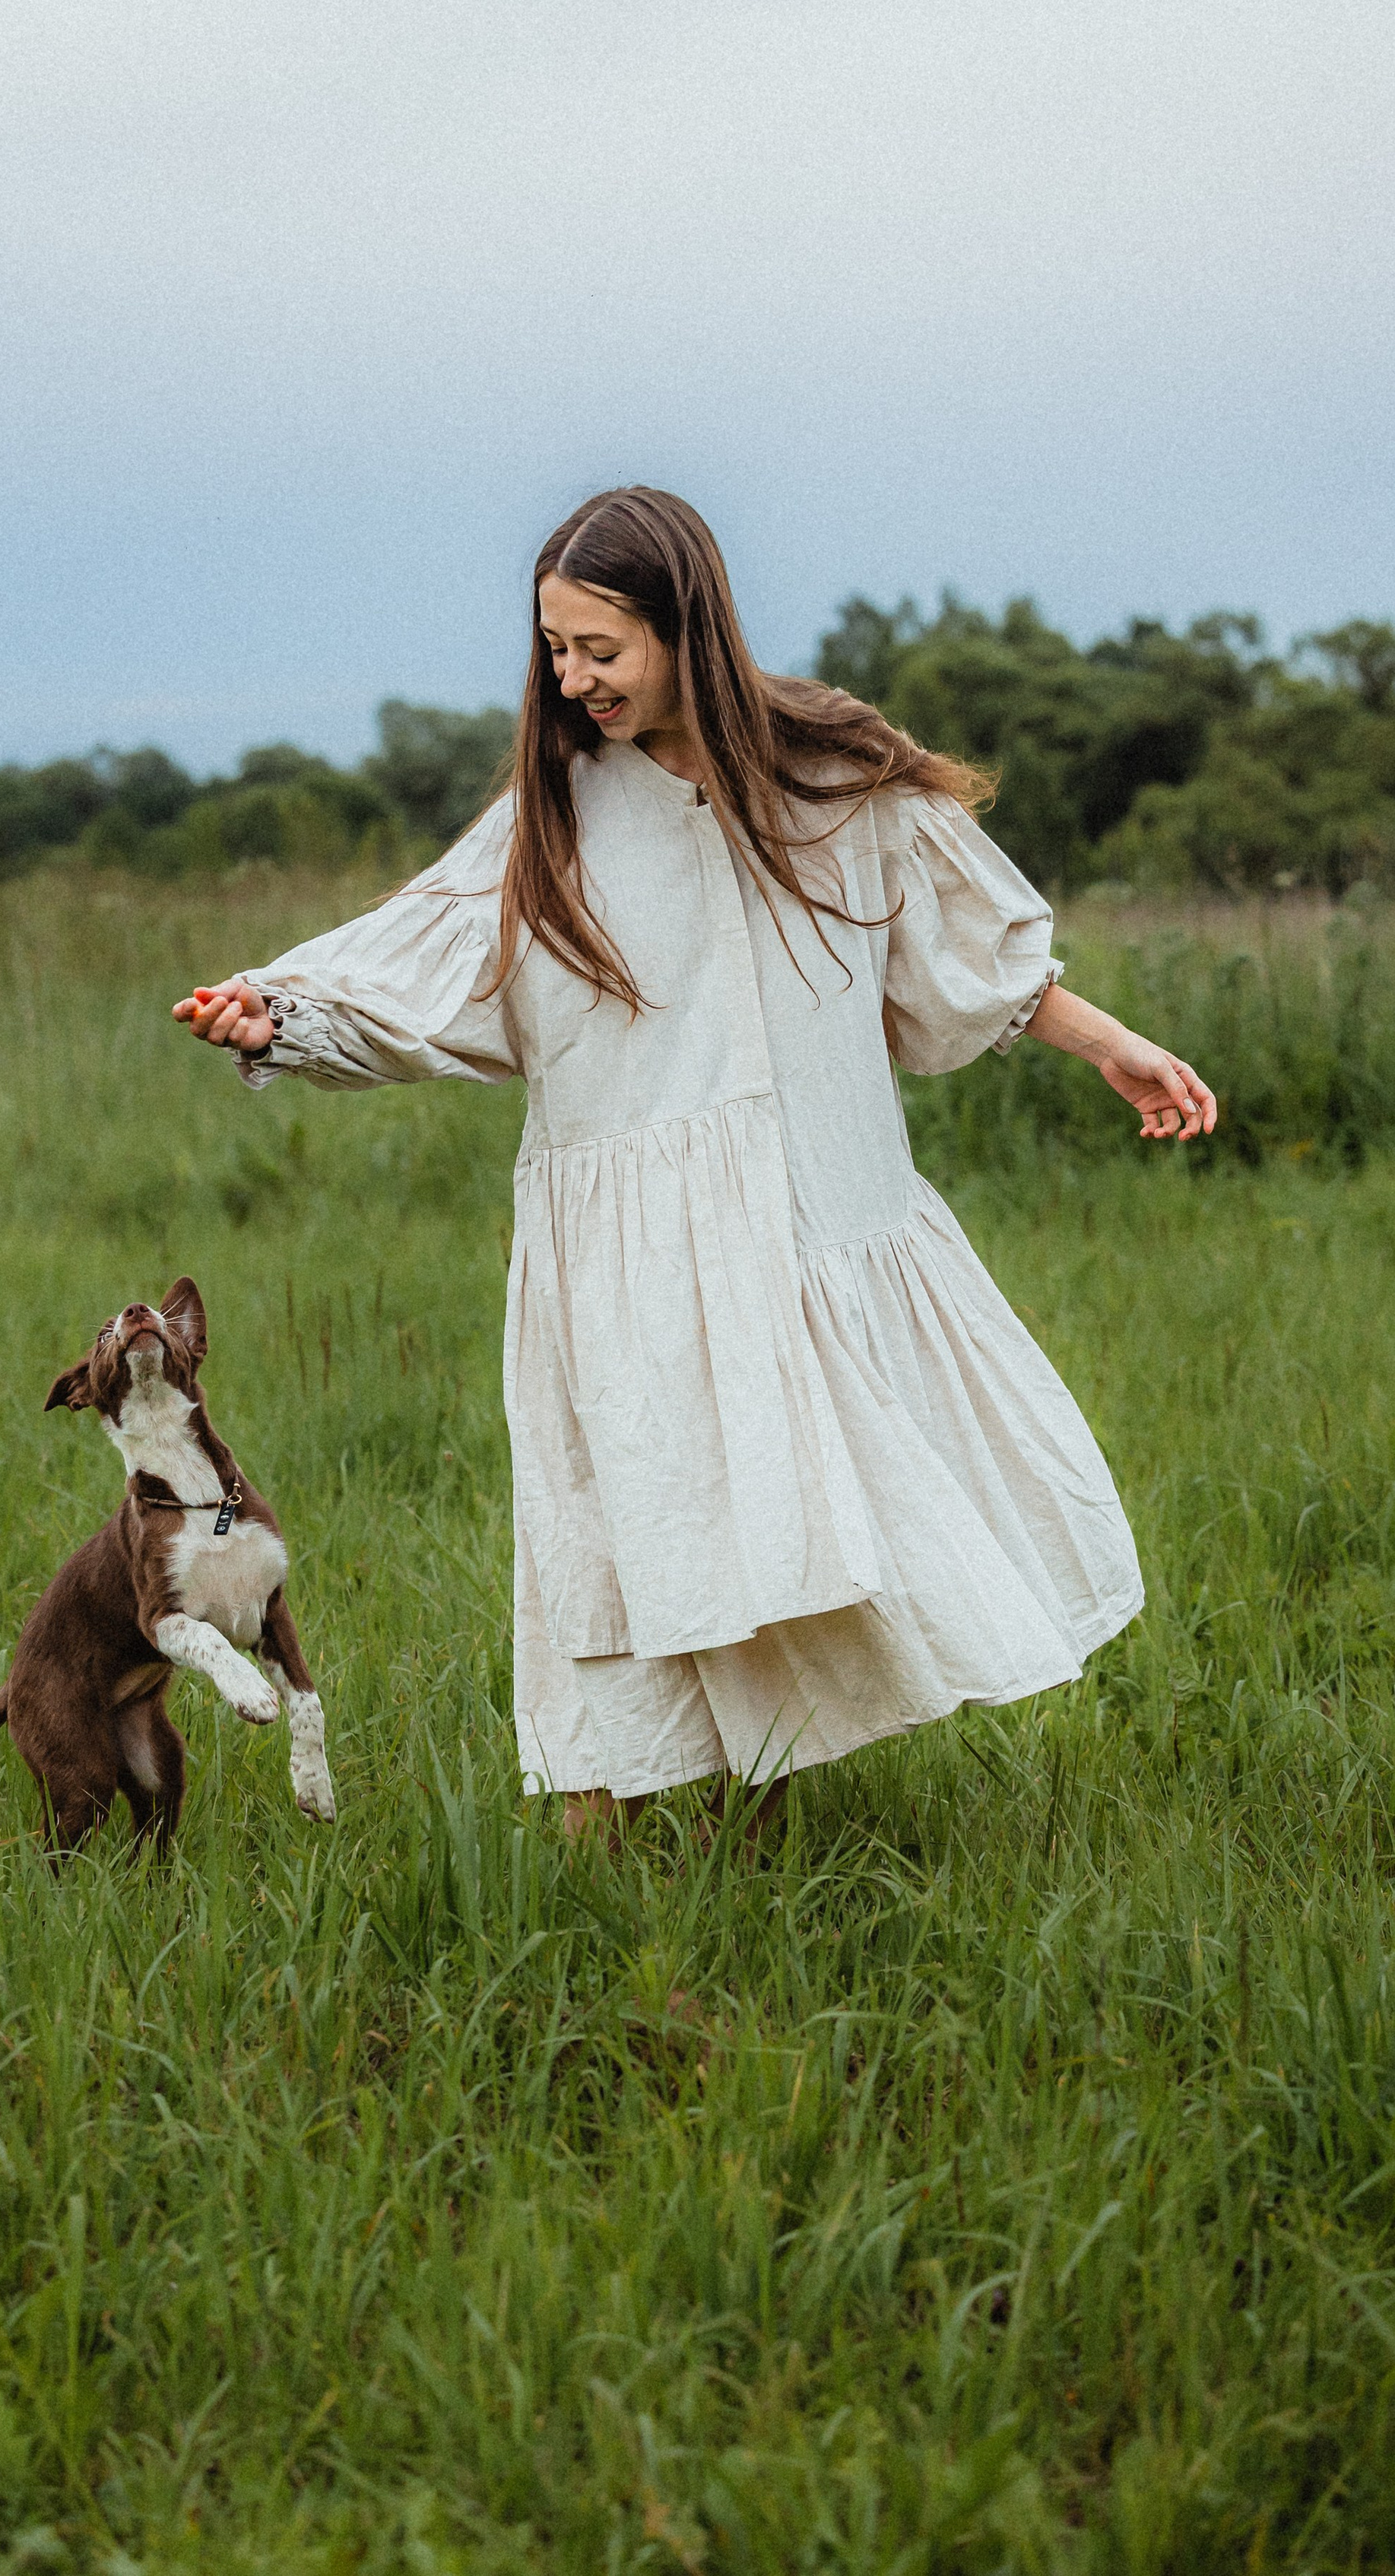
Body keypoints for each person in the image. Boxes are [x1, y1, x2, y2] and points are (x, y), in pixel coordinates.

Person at [174, 489, 1214, 1838]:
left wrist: (1110, 1042)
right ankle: (596, 1841)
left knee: (786, 1526)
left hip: (807, 1223)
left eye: (600, 647)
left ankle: (745, 1806)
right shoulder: (556, 818)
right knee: (620, 1531)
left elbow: (954, 948)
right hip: (624, 1244)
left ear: (685, 624)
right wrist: (284, 1012)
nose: (572, 678)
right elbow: (418, 961)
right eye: (554, 649)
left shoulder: (832, 777)